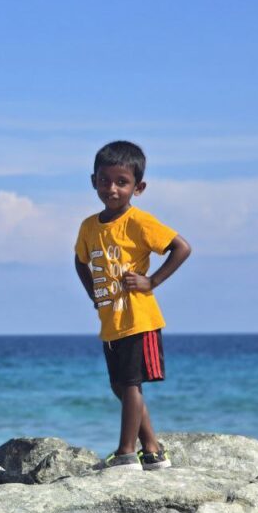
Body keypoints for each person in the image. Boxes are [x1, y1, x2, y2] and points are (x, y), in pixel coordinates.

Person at [74, 141, 191, 471]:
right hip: (111, 321)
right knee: (120, 385)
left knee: (130, 384)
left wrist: (151, 281)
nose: (112, 188)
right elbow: (80, 261)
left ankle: (126, 452)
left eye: (121, 182)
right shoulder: (89, 226)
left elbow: (181, 248)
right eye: (104, 180)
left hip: (139, 317)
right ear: (94, 181)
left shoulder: (139, 221)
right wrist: (93, 294)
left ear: (138, 188)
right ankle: (151, 450)